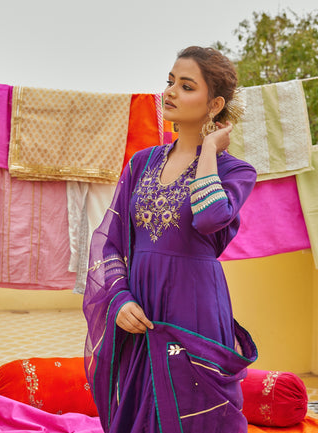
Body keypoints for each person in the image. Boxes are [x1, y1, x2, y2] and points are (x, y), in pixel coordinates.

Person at [83, 46, 258, 433]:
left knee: (193, 412)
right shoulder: (141, 163)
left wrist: (208, 151)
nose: (170, 92)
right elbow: (110, 242)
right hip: (141, 308)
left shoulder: (236, 171)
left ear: (214, 104)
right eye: (170, 82)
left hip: (193, 310)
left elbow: (210, 217)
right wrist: (119, 297)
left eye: (186, 86)